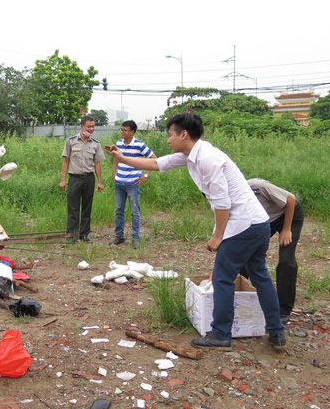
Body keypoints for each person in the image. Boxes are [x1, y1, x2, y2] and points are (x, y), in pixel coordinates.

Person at [105, 113, 285, 350]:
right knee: (260, 276)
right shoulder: (192, 154)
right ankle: (276, 332)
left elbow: (223, 203)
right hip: (258, 223)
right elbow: (157, 164)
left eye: (170, 134)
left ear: (183, 134)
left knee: (222, 279)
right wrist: (121, 157)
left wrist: (218, 237)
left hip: (242, 225)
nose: (168, 140)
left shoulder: (207, 159)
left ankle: (221, 334)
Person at [245, 178, 304, 324]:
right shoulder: (233, 201)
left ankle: (283, 310)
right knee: (244, 256)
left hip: (289, 215)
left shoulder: (256, 187)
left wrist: (286, 229)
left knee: (286, 260)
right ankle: (243, 299)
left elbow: (290, 199)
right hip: (266, 221)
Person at [111, 120, 157, 248]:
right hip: (119, 183)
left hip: (133, 183)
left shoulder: (139, 145)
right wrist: (114, 172)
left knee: (134, 211)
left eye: (125, 130)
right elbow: (116, 158)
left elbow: (154, 159)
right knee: (119, 210)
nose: (122, 132)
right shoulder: (119, 143)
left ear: (132, 132)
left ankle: (136, 237)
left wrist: (146, 175)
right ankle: (119, 236)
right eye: (121, 129)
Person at [60, 115, 105, 242]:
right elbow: (66, 160)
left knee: (87, 207)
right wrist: (63, 179)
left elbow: (97, 164)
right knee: (73, 208)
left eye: (93, 127)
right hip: (74, 178)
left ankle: (84, 234)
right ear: (82, 126)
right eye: (89, 126)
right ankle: (71, 236)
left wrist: (100, 182)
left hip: (89, 178)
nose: (91, 129)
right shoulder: (71, 141)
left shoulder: (95, 144)